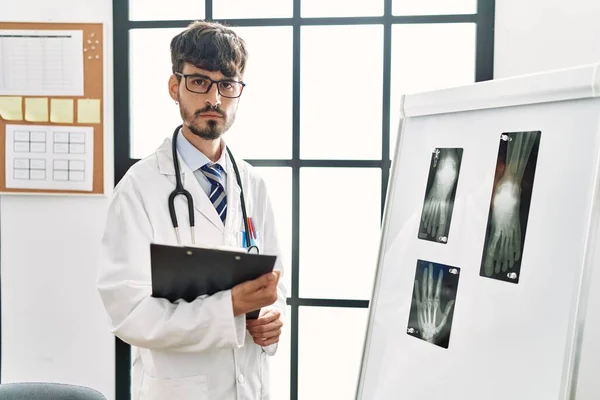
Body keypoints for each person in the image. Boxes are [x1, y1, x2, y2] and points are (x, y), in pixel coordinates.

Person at [97, 20, 287, 400]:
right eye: (200, 82)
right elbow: (128, 312)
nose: (214, 98)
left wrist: (270, 320)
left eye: (227, 85)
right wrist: (228, 308)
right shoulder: (139, 188)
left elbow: (275, 284)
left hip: (249, 387)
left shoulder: (252, 185)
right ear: (175, 87)